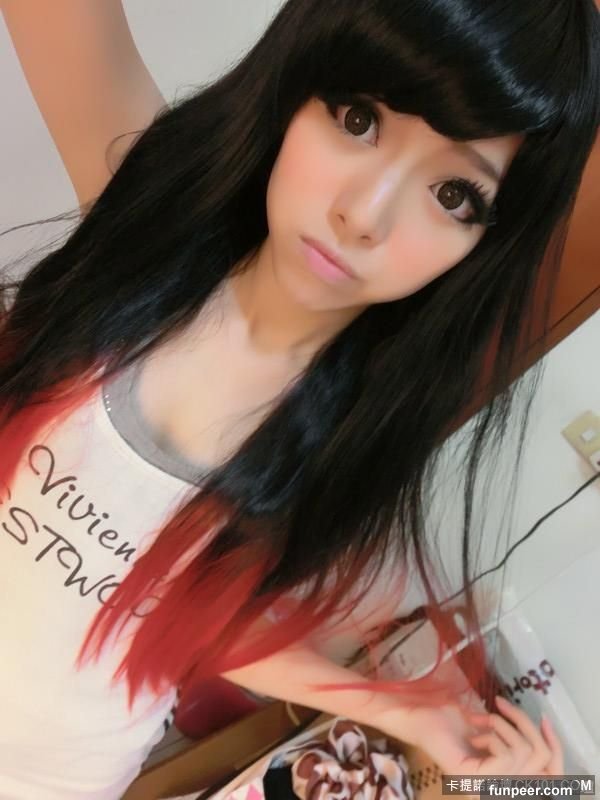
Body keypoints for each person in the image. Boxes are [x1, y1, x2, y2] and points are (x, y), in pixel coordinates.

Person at [1, 0, 597, 797]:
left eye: (454, 194)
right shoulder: (147, 208)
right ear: (299, 77)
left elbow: (199, 621)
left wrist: (425, 726)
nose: (364, 214)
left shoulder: (358, 441)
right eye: (358, 118)